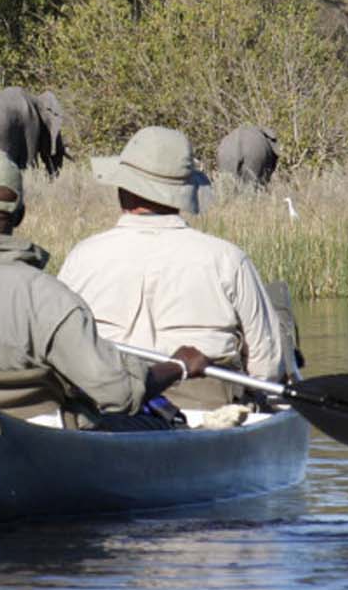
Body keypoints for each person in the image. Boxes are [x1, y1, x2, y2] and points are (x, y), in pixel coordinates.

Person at [0, 149, 211, 430]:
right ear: (20, 216)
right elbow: (117, 393)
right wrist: (178, 367)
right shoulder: (49, 298)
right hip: (28, 443)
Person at [58, 126, 286, 410]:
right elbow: (267, 364)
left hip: (108, 405)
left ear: (123, 189)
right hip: (208, 405)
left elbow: (60, 347)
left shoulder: (81, 257)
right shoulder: (228, 259)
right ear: (184, 193)